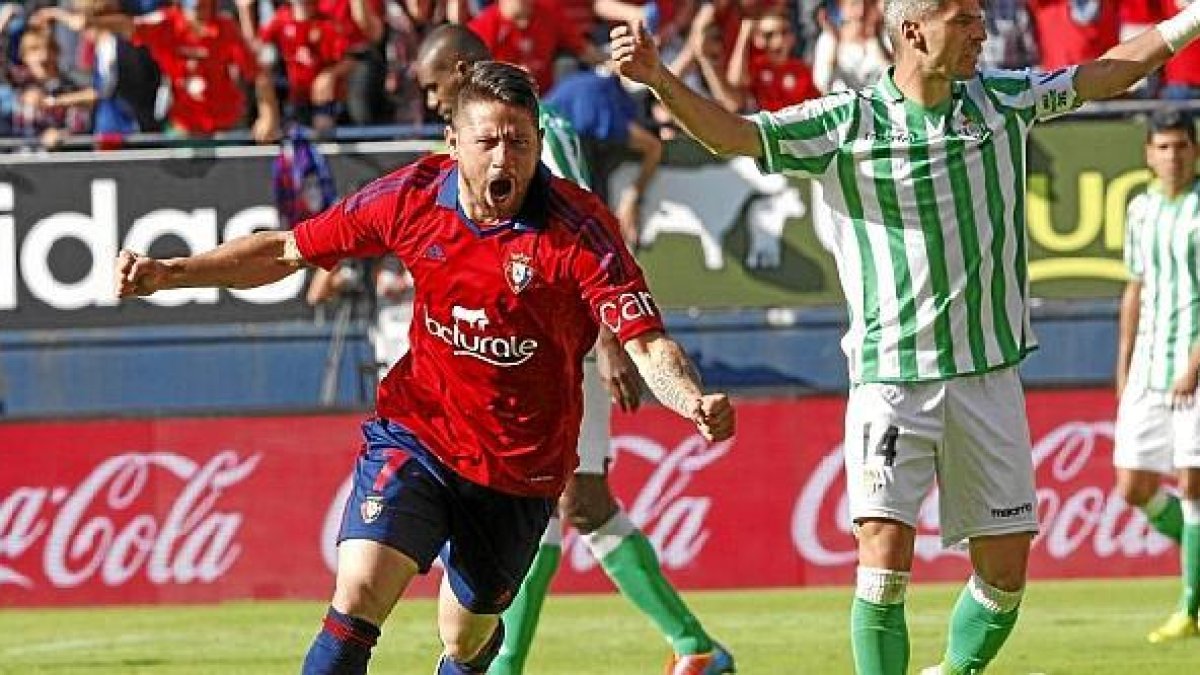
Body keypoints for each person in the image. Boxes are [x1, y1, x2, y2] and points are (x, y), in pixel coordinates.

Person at [611, 0, 1200, 672]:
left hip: (988, 375)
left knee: (1005, 576)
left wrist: (1191, 20)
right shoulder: (847, 121)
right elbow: (733, 135)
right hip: (891, 380)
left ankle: (952, 668)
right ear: (916, 30)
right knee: (882, 556)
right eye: (966, 18)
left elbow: (1103, 75)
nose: (983, 31)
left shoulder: (1002, 100)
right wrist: (660, 78)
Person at [114, 60, 734, 675]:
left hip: (521, 470)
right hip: (421, 433)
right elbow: (286, 250)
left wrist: (688, 400)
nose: (503, 158)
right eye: (487, 140)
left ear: (540, 144)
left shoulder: (579, 227)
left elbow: (647, 341)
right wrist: (172, 274)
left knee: (463, 641)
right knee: (358, 594)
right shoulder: (411, 198)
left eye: (519, 142)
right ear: (454, 142)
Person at [413, 25, 735, 675]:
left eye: (434, 84)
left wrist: (612, 337)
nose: (429, 101)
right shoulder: (483, 142)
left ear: (464, 68)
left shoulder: (541, 128)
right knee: (574, 499)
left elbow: (588, 229)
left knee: (559, 496)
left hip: (570, 335)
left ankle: (687, 646)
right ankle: (695, 646)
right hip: (539, 339)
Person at [1113, 107, 1200, 644]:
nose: (1172, 156)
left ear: (1195, 151)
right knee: (1134, 485)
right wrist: (1122, 363)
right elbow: (1135, 287)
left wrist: (1194, 363)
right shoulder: (1140, 210)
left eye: (1182, 147)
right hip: (1147, 368)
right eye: (1163, 147)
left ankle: (1190, 607)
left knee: (1193, 484)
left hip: (1193, 369)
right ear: (1148, 154)